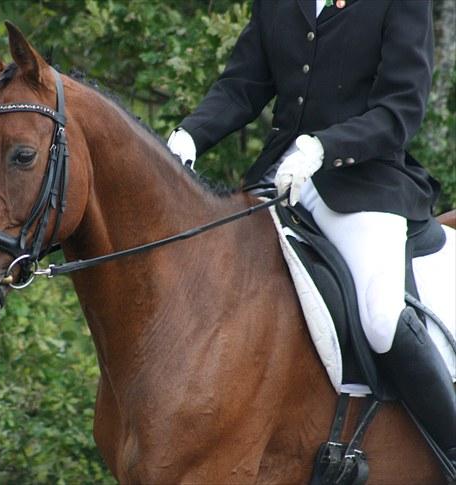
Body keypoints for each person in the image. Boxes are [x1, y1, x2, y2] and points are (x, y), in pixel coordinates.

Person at [168, 0, 456, 464]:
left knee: (382, 318)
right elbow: (243, 85)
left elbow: (400, 110)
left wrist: (326, 147)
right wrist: (189, 136)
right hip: (281, 180)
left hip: (365, 183)